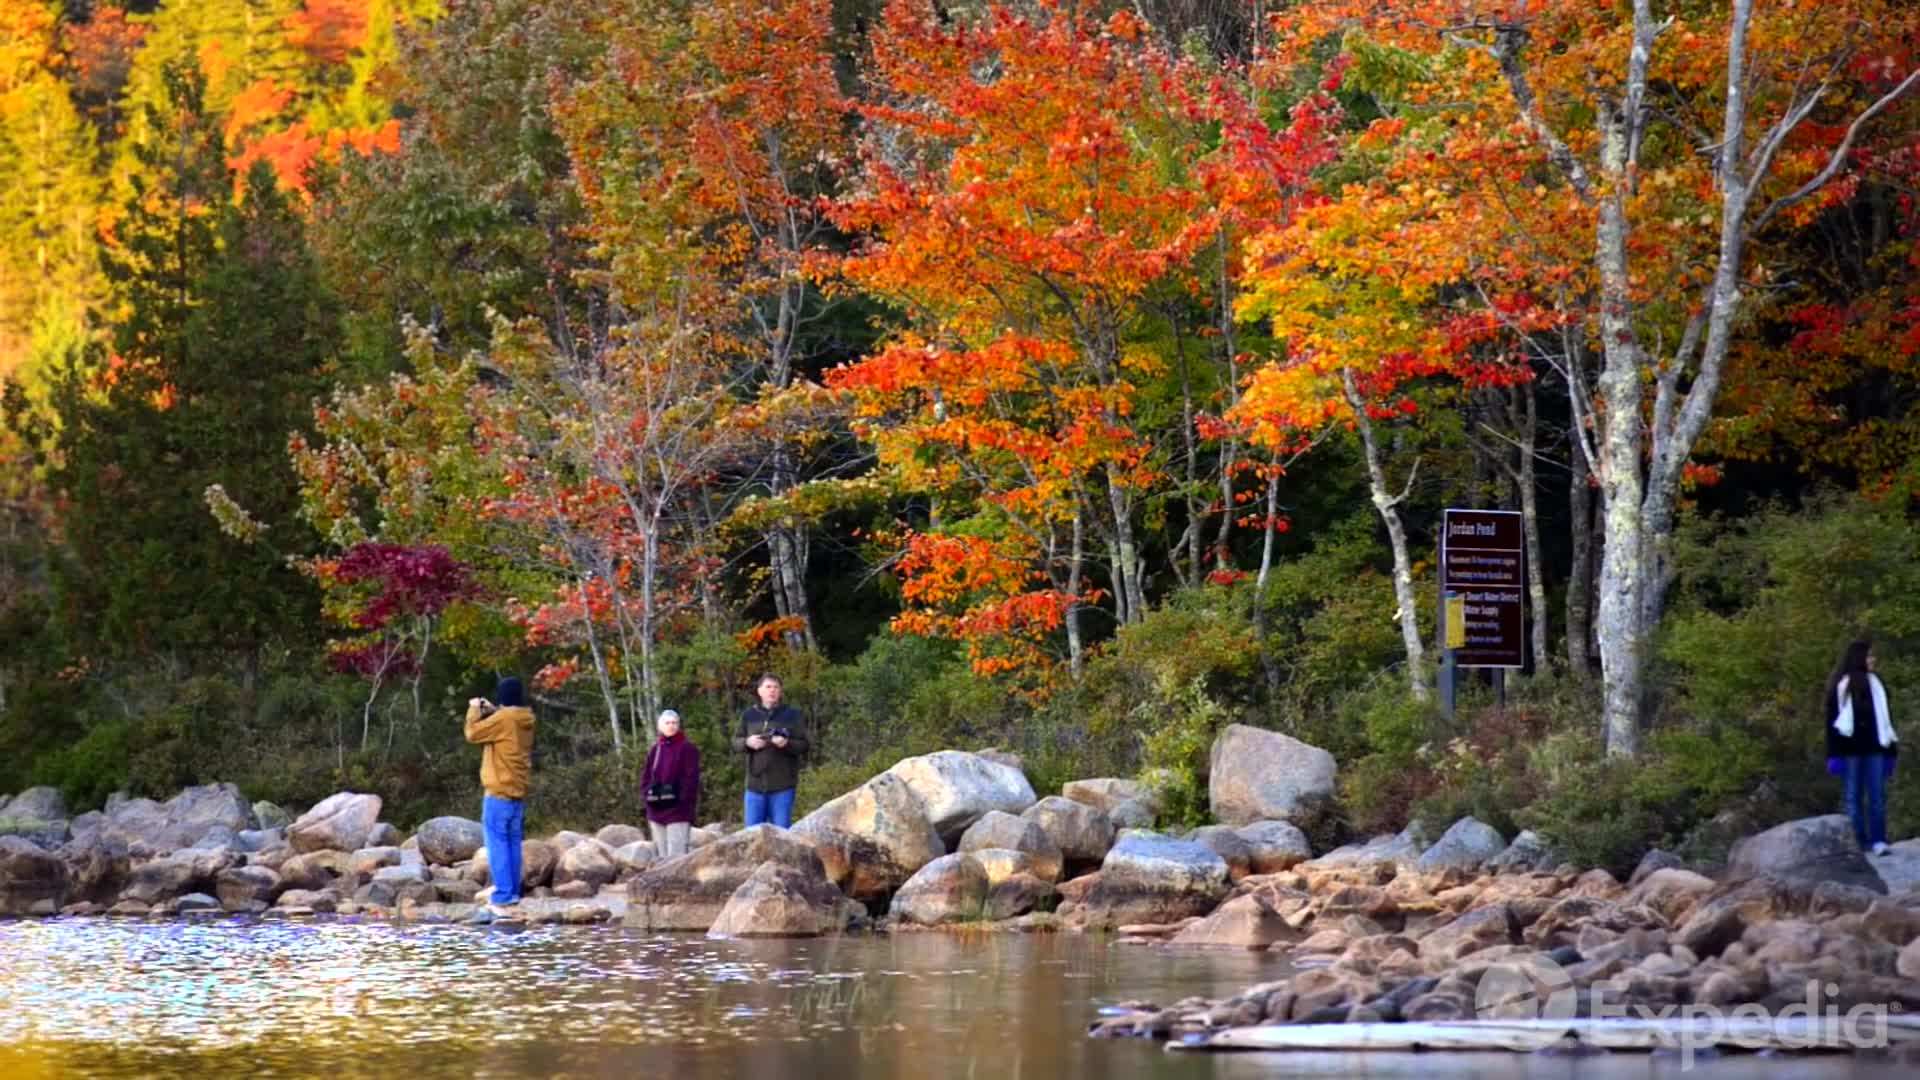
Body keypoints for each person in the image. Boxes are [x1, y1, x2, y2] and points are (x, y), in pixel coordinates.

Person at [465, 676, 536, 912]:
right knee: (513, 844)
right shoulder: (524, 718)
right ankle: (512, 892)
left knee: (497, 844)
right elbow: (506, 721)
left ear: (503, 697)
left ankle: (503, 895)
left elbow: (472, 733)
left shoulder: (504, 719)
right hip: (517, 793)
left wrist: (475, 709)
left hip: (498, 792)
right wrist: (494, 709)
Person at [1825, 640, 1900, 856]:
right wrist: (1833, 754)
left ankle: (1878, 840)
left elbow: (1886, 721)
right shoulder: (1841, 687)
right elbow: (1831, 724)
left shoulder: (1877, 686)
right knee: (1853, 796)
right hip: (1850, 751)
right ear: (1858, 658)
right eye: (1869, 656)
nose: (1873, 660)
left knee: (1877, 796)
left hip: (1875, 748)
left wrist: (1891, 752)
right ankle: (1858, 841)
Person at [733, 673, 809, 828]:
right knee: (751, 836)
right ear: (759, 691)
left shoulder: (793, 715)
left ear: (780, 692)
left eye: (776, 687)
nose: (772, 690)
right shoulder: (749, 715)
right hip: (754, 787)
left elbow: (805, 745)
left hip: (783, 787)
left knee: (782, 835)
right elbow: (735, 742)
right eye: (768, 687)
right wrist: (748, 742)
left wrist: (786, 743)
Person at [640, 708, 701, 858]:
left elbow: (692, 778)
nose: (671, 726)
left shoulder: (688, 748)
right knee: (661, 857)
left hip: (678, 810)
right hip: (656, 808)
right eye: (667, 723)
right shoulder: (656, 748)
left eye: (674, 722)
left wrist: (681, 798)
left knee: (677, 857)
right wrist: (647, 795)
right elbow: (646, 776)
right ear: (660, 726)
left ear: (678, 725)